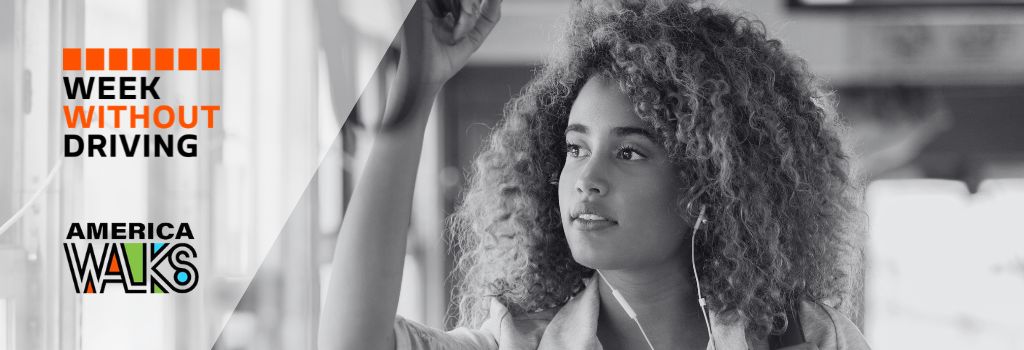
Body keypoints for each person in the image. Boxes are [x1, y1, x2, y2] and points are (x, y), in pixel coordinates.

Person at [318, 0, 871, 349]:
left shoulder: (806, 338)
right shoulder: (521, 342)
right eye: (575, 149)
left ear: (709, 186)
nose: (586, 179)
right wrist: (416, 93)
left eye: (629, 153)